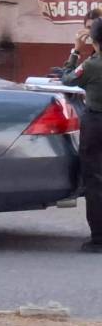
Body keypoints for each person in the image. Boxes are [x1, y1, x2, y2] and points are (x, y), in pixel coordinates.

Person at [62, 17, 102, 252]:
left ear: (94, 41)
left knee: (94, 180)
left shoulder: (91, 65)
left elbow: (67, 78)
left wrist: (76, 50)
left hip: (96, 123)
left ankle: (99, 238)